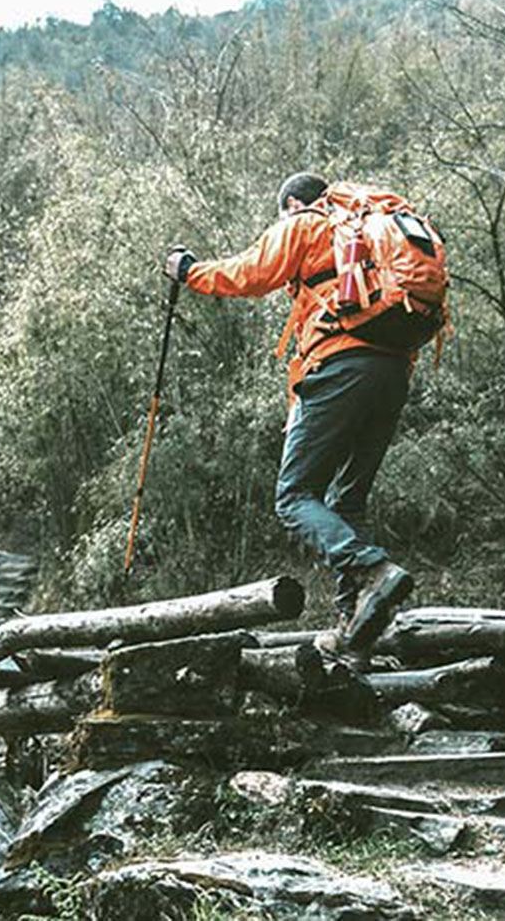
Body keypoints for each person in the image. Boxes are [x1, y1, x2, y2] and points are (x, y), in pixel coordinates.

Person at [164, 172, 415, 656]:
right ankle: (357, 624)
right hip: (394, 370)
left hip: (340, 365)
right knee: (348, 501)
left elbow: (249, 274)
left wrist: (189, 270)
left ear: (294, 203)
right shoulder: (374, 228)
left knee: (294, 496)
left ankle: (374, 570)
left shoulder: (308, 221)